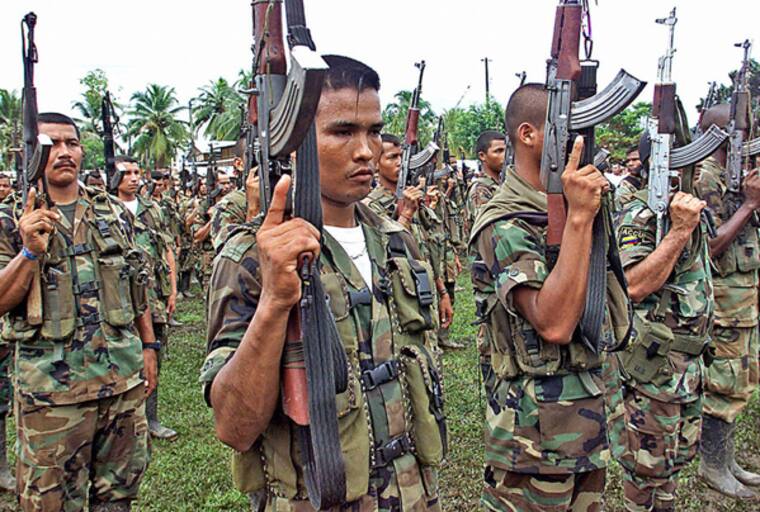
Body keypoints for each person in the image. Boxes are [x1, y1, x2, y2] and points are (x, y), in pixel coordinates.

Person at [201, 55, 447, 511]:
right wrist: (275, 302)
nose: (366, 151)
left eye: (374, 131)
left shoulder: (396, 240)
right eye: (342, 131)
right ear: (294, 142)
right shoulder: (252, 256)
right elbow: (233, 427)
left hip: (412, 494)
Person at [470, 84, 623, 512]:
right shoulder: (504, 222)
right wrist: (579, 218)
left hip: (587, 416)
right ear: (528, 134)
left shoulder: (569, 207)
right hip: (534, 435)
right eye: (571, 132)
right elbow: (553, 324)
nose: (581, 143)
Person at [0, 113, 158, 511]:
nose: (64, 152)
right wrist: (28, 252)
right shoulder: (10, 219)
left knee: (117, 499)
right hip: (52, 396)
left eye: (71, 143)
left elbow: (136, 285)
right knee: (51, 503)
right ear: (31, 153)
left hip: (120, 383)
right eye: (51, 144)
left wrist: (149, 346)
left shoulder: (111, 212)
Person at [613, 133, 713, 511]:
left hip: (686, 366)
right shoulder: (642, 215)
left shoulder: (684, 210)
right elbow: (634, 286)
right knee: (645, 469)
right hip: (656, 368)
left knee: (671, 465)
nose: (697, 168)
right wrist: (679, 231)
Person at [693, 104, 760, 498]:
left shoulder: (741, 176)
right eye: (745, 131)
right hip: (722, 301)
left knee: (741, 379)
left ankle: (727, 461)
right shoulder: (705, 178)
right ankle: (713, 466)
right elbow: (711, 244)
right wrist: (749, 204)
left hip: (744, 297)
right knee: (723, 381)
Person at [364, 133, 455, 346]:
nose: (399, 162)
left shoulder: (413, 198)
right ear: (376, 164)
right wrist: (404, 216)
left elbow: (425, 250)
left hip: (424, 290)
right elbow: (384, 254)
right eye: (391, 157)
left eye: (401, 156)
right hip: (399, 298)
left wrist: (442, 292)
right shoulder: (370, 207)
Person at [114, 156, 179, 441]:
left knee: (154, 355)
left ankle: (151, 418)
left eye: (136, 172)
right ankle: (126, 421)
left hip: (152, 295)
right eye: (126, 173)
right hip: (119, 298)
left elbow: (166, 248)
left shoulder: (153, 209)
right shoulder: (104, 209)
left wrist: (172, 289)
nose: (133, 178)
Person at [465, 130, 506, 225]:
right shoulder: (480, 189)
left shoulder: (500, 184)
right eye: (498, 151)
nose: (504, 156)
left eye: (506, 151)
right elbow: (488, 226)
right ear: (482, 156)